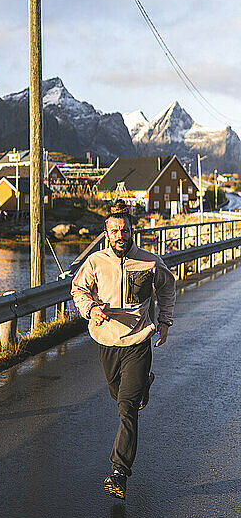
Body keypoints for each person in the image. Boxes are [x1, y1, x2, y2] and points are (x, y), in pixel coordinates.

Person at [71, 201, 176, 500]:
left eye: (125, 230)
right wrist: (91, 309)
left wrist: (164, 321)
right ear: (106, 234)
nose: (121, 235)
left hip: (138, 342)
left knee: (126, 409)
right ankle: (144, 384)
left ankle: (119, 471)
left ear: (132, 232)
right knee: (118, 395)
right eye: (115, 230)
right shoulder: (95, 262)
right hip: (107, 342)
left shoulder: (150, 262)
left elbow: (167, 288)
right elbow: (78, 290)